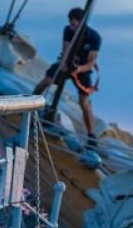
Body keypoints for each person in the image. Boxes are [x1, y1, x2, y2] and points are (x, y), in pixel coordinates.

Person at [33, 8, 101, 144]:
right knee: (46, 81)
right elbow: (66, 49)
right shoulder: (68, 30)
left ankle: (91, 135)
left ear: (82, 23)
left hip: (83, 68)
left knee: (84, 101)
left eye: (76, 23)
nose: (72, 25)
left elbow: (91, 63)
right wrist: (64, 63)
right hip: (67, 62)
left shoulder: (94, 37)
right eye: (71, 22)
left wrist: (79, 69)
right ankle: (29, 107)